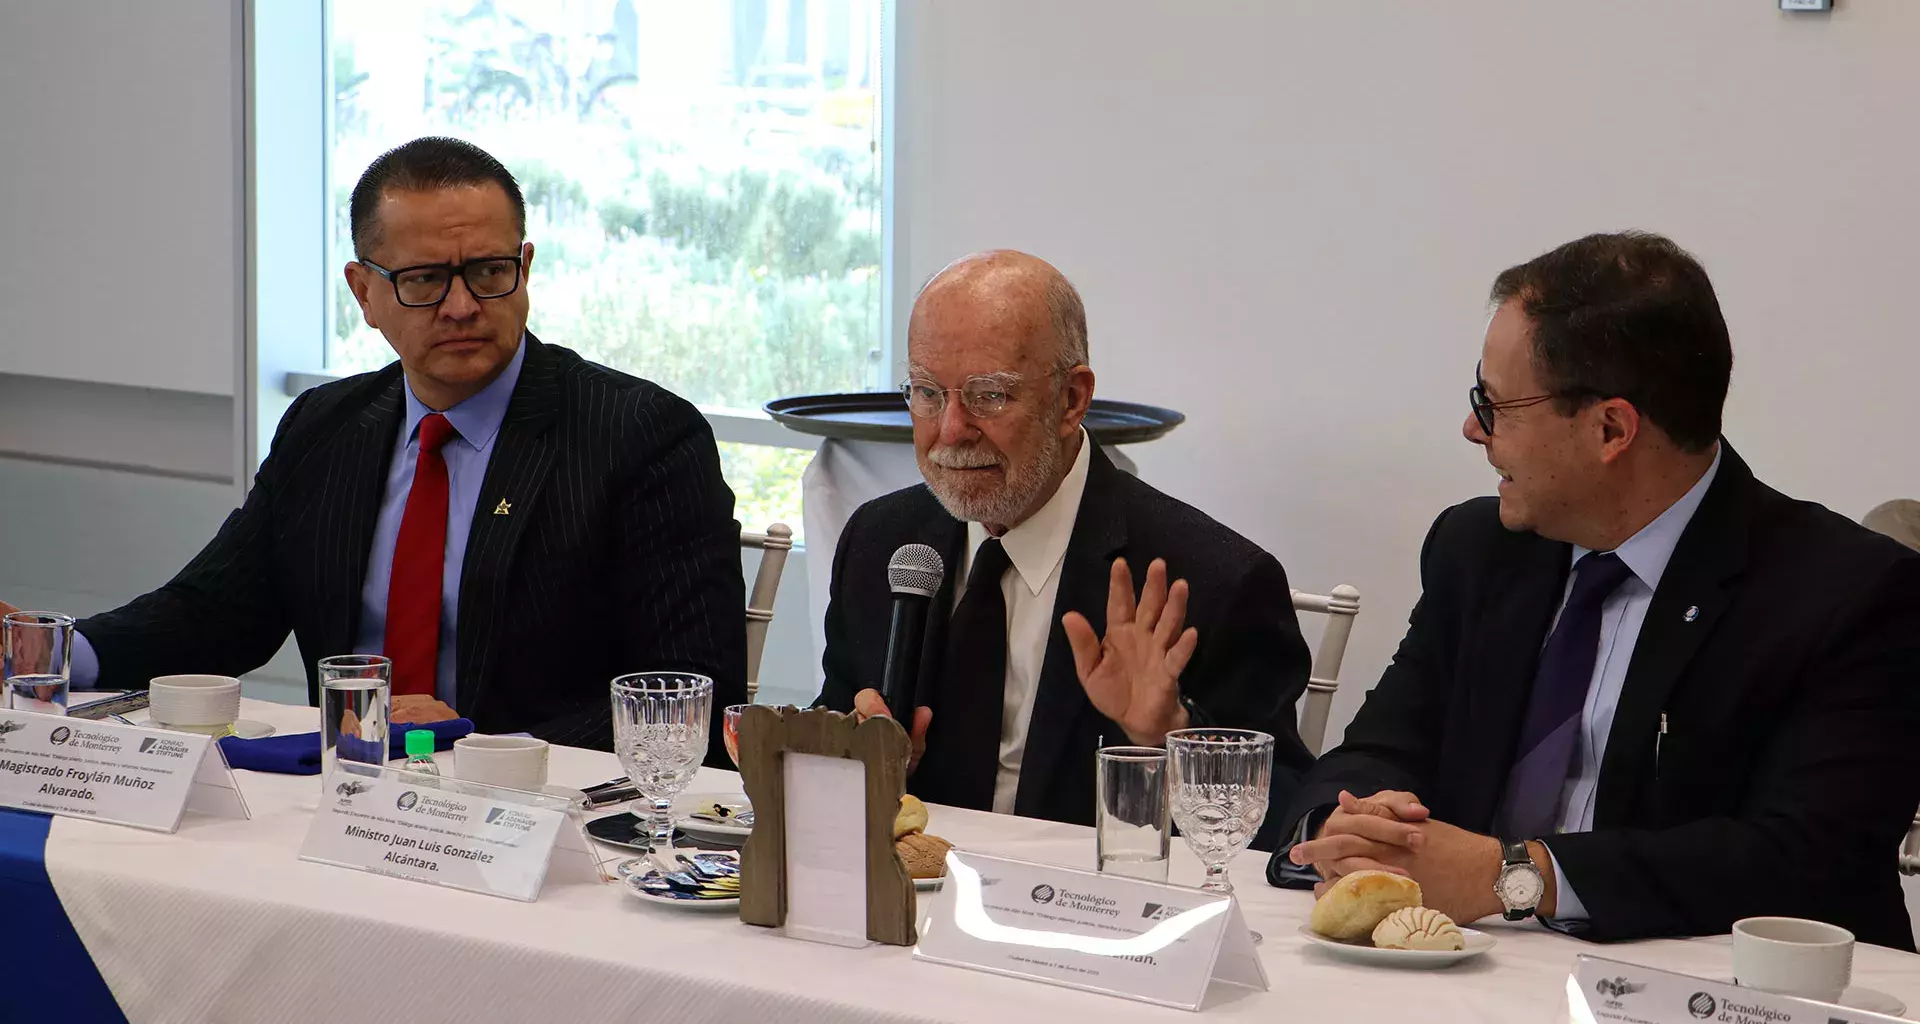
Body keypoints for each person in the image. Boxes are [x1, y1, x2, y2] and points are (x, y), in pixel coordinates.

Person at [1274, 232, 1920, 950]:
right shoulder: (1481, 549)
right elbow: (1382, 746)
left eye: (1495, 407)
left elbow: (1806, 859)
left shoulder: (1849, 594)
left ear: (1610, 428)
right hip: (1477, 974)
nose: (1471, 430)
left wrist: (1518, 877)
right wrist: (1349, 823)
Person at [0, 137, 746, 753]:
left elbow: (689, 697)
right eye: (425, 280)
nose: (461, 307)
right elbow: (214, 614)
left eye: (489, 272)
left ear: (525, 268)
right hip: (345, 801)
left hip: (545, 821)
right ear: (364, 293)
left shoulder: (640, 434)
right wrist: (46, 652)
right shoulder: (326, 427)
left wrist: (470, 745)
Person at [815, 250, 1313, 835]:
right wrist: (853, 760)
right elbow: (838, 729)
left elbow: (1286, 820)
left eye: (989, 395)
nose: (950, 430)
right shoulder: (882, 544)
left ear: (1072, 399)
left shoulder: (1214, 581)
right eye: (927, 393)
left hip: (1095, 910)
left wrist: (1170, 734)